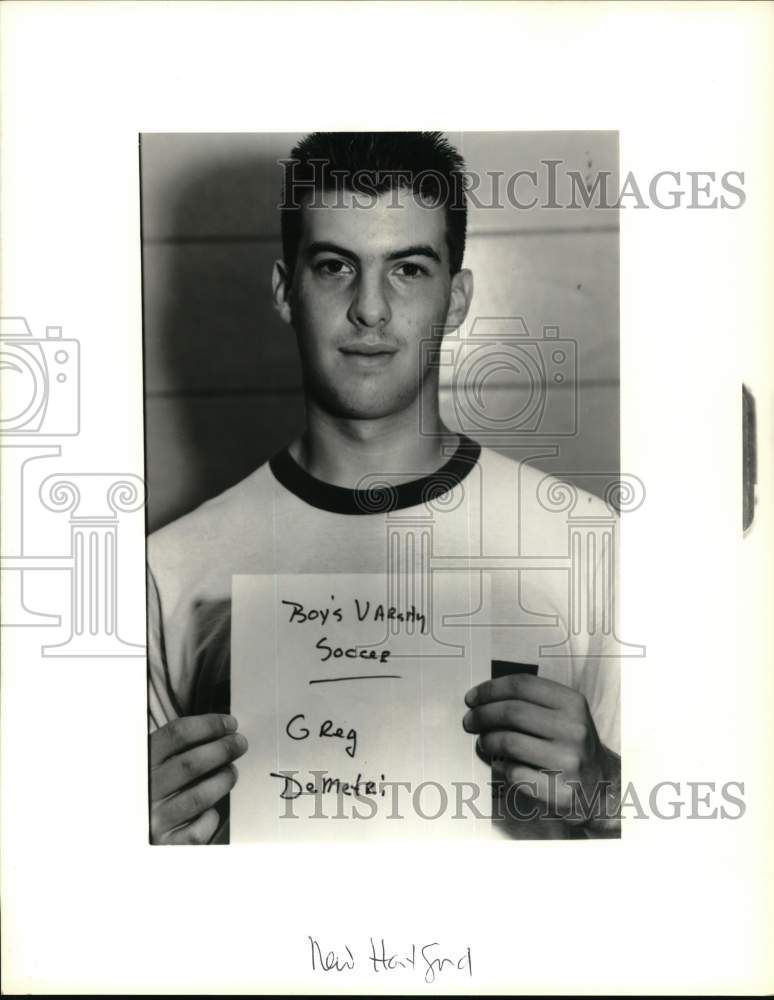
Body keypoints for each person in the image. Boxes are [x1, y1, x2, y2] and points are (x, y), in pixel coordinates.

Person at [147, 131, 621, 844]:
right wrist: (127, 845)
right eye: (335, 265)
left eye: (408, 269)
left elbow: (705, 871)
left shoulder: (588, 539)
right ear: (286, 291)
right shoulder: (168, 569)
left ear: (457, 298)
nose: (370, 308)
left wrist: (610, 792)